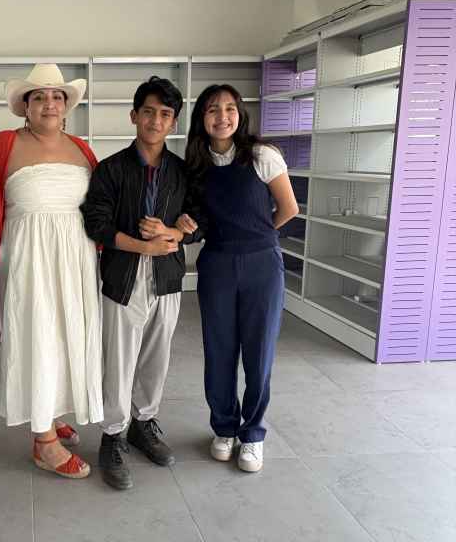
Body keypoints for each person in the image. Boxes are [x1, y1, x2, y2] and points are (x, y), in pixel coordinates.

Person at [0, 64, 103, 479]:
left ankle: (51, 408)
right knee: (38, 334)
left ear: (66, 105)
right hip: (29, 257)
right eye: (39, 97)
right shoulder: (3, 144)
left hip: (76, 256)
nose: (49, 103)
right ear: (25, 106)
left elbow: (101, 202)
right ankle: (43, 441)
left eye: (57, 96)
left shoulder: (81, 148)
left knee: (67, 333)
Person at [80, 76, 203, 490]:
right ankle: (113, 435)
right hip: (123, 278)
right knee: (119, 359)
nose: (155, 120)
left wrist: (177, 231)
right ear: (134, 116)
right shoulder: (111, 169)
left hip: (167, 279)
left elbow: (198, 220)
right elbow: (96, 223)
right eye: (148, 112)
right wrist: (143, 246)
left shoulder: (183, 172)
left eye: (165, 114)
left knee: (157, 355)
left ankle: (143, 423)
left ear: (174, 123)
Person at [178, 83, 298, 473]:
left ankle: (253, 434)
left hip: (262, 263)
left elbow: (289, 208)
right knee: (219, 351)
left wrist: (258, 236)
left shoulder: (262, 155)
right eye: (213, 109)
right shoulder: (197, 166)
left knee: (258, 353)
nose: (223, 116)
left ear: (240, 114)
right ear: (202, 117)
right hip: (216, 264)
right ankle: (224, 427)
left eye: (230, 108)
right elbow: (196, 217)